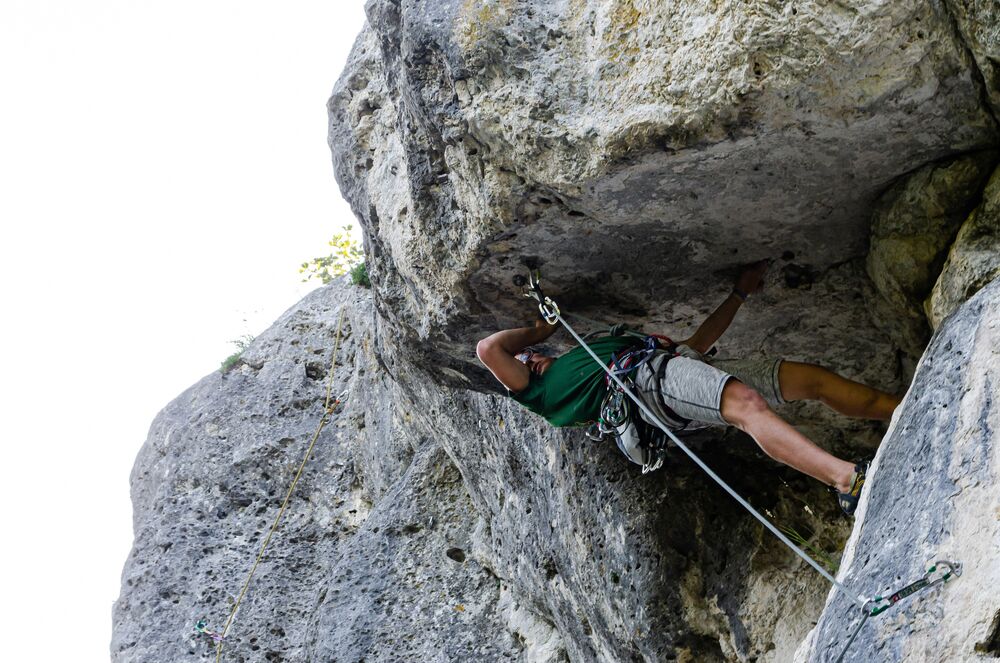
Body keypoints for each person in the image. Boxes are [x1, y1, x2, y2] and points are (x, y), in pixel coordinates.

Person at [475, 260, 901, 515]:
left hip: (674, 367)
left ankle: (903, 408)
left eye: (534, 354)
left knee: (810, 379)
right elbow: (489, 349)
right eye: (527, 363)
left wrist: (739, 293)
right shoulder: (542, 397)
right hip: (648, 386)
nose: (532, 360)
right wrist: (536, 333)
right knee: (747, 406)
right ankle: (847, 481)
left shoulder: (586, 353)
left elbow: (697, 344)